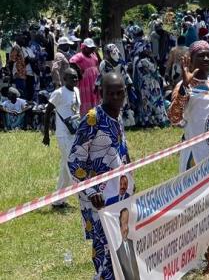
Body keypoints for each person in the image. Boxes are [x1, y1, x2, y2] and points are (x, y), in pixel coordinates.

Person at [68, 72, 131, 280]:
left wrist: (130, 180)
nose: (116, 98)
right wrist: (91, 191)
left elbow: (121, 150)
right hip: (98, 199)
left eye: (120, 93)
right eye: (110, 94)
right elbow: (74, 160)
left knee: (120, 242)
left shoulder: (118, 115)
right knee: (104, 248)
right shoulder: (92, 119)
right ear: (100, 93)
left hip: (119, 193)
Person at [168, 40, 209, 173]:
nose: (206, 58)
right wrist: (185, 86)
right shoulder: (183, 86)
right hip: (195, 154)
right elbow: (174, 118)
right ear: (190, 61)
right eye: (201, 56)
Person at [42, 67, 81, 208]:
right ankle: (83, 198)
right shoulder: (58, 93)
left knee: (65, 169)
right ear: (64, 79)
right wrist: (46, 134)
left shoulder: (76, 91)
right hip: (63, 134)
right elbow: (47, 112)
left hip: (75, 133)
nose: (75, 79)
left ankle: (57, 201)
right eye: (72, 77)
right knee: (72, 165)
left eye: (76, 77)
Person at [70, 38, 101, 115]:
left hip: (94, 79)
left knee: (95, 95)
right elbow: (72, 61)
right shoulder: (80, 55)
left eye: (92, 48)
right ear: (84, 47)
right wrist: (79, 71)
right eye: (90, 48)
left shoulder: (93, 54)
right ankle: (86, 115)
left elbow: (99, 62)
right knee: (86, 96)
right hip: (86, 81)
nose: (92, 49)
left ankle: (95, 113)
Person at [115, 208, 140, 280]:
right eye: (124, 223)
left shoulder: (132, 243)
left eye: (127, 223)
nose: (126, 228)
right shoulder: (115, 249)